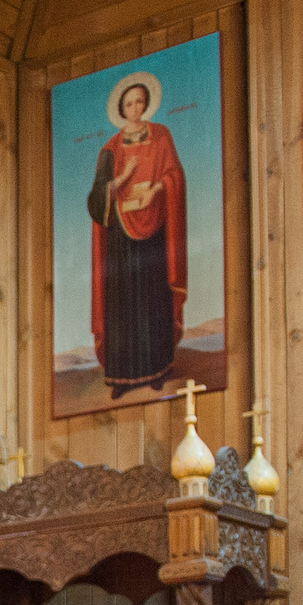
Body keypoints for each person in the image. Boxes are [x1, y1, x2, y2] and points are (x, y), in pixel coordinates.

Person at [87, 75, 188, 397]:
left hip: (154, 227)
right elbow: (96, 197)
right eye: (128, 103)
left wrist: (157, 189)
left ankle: (156, 368)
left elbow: (174, 174)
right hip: (119, 235)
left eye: (140, 101)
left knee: (152, 299)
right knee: (122, 305)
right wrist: (121, 179)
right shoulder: (111, 148)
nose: (135, 108)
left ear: (147, 104)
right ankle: (121, 377)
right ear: (121, 108)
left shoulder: (160, 136)